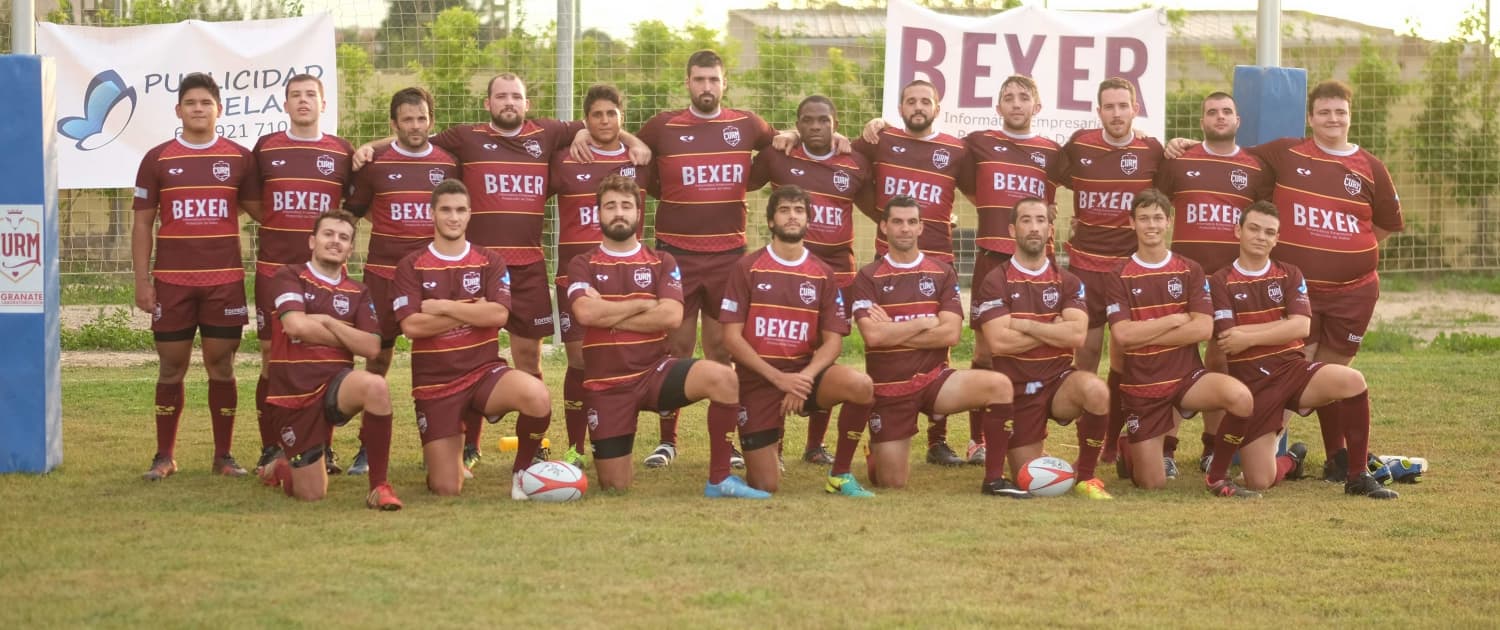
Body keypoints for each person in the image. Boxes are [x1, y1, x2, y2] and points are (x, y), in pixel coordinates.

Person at [565, 175, 766, 498]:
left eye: (626, 206)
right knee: (615, 485)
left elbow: (671, 316)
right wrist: (644, 303)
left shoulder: (661, 261)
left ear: (638, 213)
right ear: (598, 213)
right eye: (610, 206)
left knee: (724, 377)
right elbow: (586, 314)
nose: (619, 212)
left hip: (654, 373)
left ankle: (719, 479)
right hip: (608, 386)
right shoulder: (582, 263)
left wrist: (609, 310)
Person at [635, 49, 776, 468]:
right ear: (687, 83)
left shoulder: (746, 124)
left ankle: (726, 443)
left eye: (714, 80)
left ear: (725, 82)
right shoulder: (663, 126)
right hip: (675, 254)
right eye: (699, 80)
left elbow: (780, 146)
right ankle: (667, 441)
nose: (707, 87)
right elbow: (633, 149)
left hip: (729, 255)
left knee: (721, 349)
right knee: (675, 347)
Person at [1205, 201, 1397, 499]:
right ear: (1237, 231)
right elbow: (1229, 338)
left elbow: (1300, 328)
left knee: (1352, 381)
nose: (1261, 237)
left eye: (1269, 232)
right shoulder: (1220, 280)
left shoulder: (1290, 274)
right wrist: (1276, 327)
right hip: (1254, 385)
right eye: (1253, 229)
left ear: (1277, 239)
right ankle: (1292, 460)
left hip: (1292, 370)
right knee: (1259, 480)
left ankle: (1357, 475)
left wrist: (1250, 335)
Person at [132, 72, 259, 481]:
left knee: (221, 366)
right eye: (191, 103)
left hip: (224, 282)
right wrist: (142, 280)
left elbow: (260, 211)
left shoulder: (240, 158)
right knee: (171, 367)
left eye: (206, 103)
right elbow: (142, 225)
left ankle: (224, 456)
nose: (199, 109)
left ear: (219, 109)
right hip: (172, 282)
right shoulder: (158, 159)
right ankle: (164, 455)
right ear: (178, 110)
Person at [843, 196, 1015, 493]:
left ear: (921, 227)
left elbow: (950, 334)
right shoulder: (868, 276)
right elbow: (873, 336)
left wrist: (893, 328)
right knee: (893, 482)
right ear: (884, 227)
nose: (904, 229)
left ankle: (994, 478)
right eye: (897, 222)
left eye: (911, 222)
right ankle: (876, 455)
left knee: (999, 385)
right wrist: (924, 322)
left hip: (936, 381)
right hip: (889, 388)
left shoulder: (941, 272)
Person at [392, 179, 551, 497]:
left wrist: (442, 307)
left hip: (483, 373)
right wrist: (471, 308)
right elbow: (412, 326)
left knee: (537, 395)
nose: (454, 217)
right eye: (446, 210)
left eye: (460, 210)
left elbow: (498, 316)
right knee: (446, 487)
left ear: (470, 215)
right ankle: (450, 447)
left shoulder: (489, 261)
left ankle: (521, 472)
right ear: (432, 214)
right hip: (436, 383)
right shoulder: (411, 265)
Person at [720, 186, 875, 494]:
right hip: (759, 379)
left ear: (808, 220)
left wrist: (803, 377)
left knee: (862, 386)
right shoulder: (747, 267)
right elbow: (731, 338)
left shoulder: (822, 273)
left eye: (799, 211)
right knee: (766, 485)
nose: (792, 216)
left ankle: (840, 475)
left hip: (804, 375)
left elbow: (833, 341)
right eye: (784, 210)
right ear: (771, 221)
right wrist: (779, 379)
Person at [342, 87, 466, 472]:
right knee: (377, 360)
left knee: (442, 365)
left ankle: (446, 449)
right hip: (383, 276)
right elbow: (355, 210)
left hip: (433, 279)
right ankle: (367, 448)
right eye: (407, 119)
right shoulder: (376, 163)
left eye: (421, 118)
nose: (415, 126)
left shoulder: (448, 163)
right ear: (394, 124)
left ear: (431, 120)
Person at [746, 95, 874, 466]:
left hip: (838, 273)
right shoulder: (779, 156)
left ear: (835, 124)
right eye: (806, 121)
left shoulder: (854, 162)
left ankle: (815, 444)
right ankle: (775, 443)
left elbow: (876, 208)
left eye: (823, 120)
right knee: (782, 347)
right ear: (797, 125)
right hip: (788, 270)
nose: (815, 127)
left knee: (826, 351)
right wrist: (777, 136)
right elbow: (743, 182)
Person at [244, 73, 361, 477]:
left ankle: (321, 448)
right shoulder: (266, 148)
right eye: (295, 95)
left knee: (326, 357)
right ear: (285, 104)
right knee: (270, 357)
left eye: (311, 95)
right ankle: (271, 446)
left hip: (326, 275)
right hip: (276, 270)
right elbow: (252, 199)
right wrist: (281, 222)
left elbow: (352, 205)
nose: (303, 101)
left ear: (323, 104)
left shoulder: (341, 151)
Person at [853, 79, 971, 466]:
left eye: (925, 101)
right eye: (910, 100)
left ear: (937, 107)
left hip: (939, 262)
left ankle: (938, 440)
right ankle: (885, 416)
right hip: (891, 262)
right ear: (899, 106)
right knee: (886, 342)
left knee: (941, 347)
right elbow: (842, 163)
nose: (918, 106)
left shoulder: (955, 149)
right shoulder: (880, 141)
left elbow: (980, 189)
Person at [1103, 189, 1253, 490]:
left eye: (1158, 218)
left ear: (1169, 221)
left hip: (1187, 378)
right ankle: (1129, 449)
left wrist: (1146, 330)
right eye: (1143, 218)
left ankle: (1217, 474)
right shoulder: (1118, 274)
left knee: (1240, 398)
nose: (1151, 225)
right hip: (1143, 386)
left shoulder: (1189, 269)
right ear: (1132, 223)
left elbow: (1201, 329)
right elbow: (1123, 335)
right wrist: (1173, 319)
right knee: (1152, 484)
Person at [1154, 91, 1273, 470]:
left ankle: (1211, 447)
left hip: (1230, 283)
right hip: (1183, 279)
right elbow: (1155, 210)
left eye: (1226, 112)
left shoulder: (1255, 167)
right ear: (1201, 121)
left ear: (1238, 120)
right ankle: (1166, 448)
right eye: (1211, 112)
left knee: (1220, 359)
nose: (1219, 117)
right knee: (1174, 361)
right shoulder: (1178, 160)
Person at [257, 210, 402, 509]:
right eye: (328, 234)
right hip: (294, 393)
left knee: (375, 385)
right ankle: (281, 468)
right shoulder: (289, 275)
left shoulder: (358, 292)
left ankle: (379, 487)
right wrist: (347, 332)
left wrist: (328, 322)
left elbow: (372, 347)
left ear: (350, 248)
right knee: (311, 493)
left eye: (344, 237)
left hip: (337, 386)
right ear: (312, 241)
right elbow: (296, 325)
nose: (335, 241)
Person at [1058, 77, 1167, 471]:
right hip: (1085, 268)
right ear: (1099, 110)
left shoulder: (1153, 151)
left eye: (1124, 105)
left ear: (1135, 108)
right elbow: (1046, 177)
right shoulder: (1079, 145)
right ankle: (1084, 444)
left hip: (1129, 273)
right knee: (1084, 355)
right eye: (1109, 106)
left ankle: (1111, 441)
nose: (1117, 113)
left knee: (1124, 358)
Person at [957, 74, 1065, 468]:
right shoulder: (979, 143)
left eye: (1024, 97)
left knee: (1038, 349)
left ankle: (1032, 433)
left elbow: (1093, 169)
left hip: (1038, 261)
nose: (1016, 103)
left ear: (1037, 107)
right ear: (998, 107)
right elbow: (965, 183)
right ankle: (976, 439)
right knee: (987, 351)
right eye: (1008, 97)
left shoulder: (1053, 152)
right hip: (993, 256)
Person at [973, 197, 1113, 499]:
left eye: (1040, 221)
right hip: (1017, 390)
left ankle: (1086, 477)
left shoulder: (1068, 281)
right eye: (1026, 220)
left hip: (1059, 382)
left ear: (1050, 229)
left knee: (1096, 390)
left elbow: (1077, 335)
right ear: (1012, 230)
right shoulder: (995, 280)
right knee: (1031, 479)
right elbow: (999, 341)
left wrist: (1025, 324)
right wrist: (1053, 328)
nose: (1034, 227)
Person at [549, 84, 650, 469]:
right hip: (574, 276)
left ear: (621, 118)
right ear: (585, 119)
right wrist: (577, 134)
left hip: (627, 278)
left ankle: (615, 442)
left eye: (612, 114)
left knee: (620, 360)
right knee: (578, 360)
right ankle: (575, 445)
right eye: (596, 115)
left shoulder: (638, 157)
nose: (604, 121)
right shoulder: (566, 158)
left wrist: (631, 139)